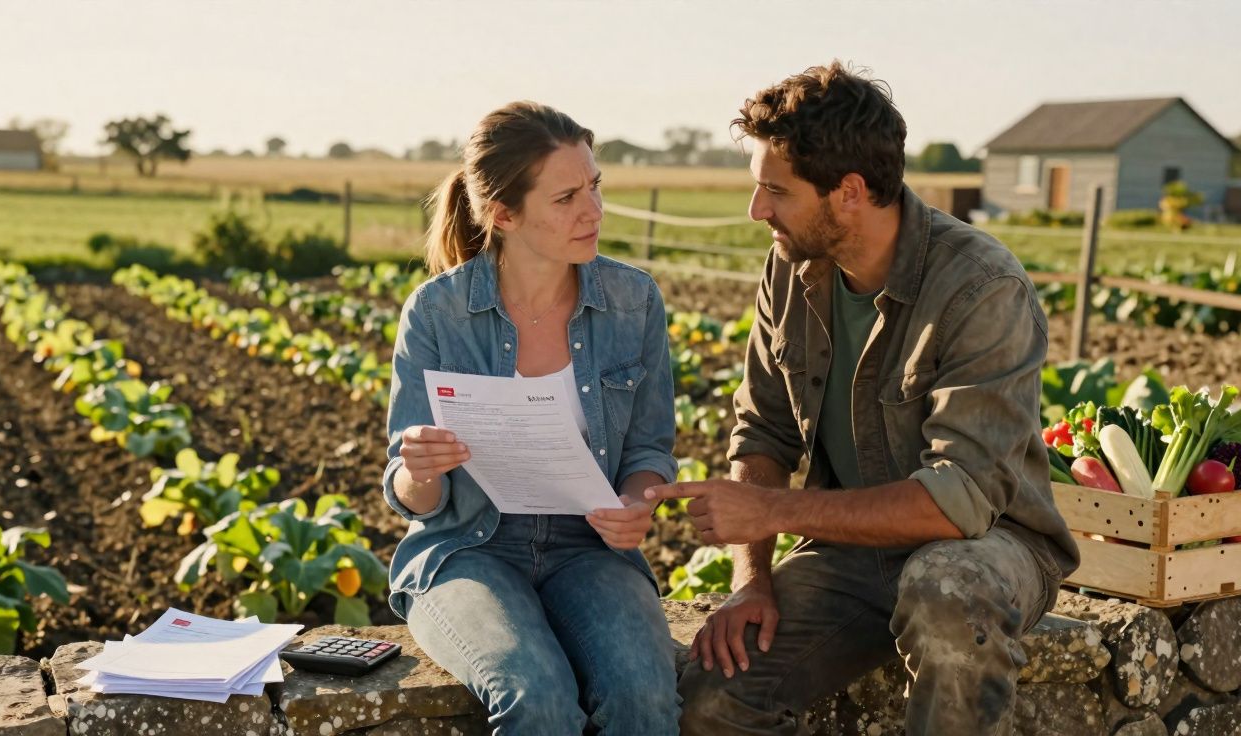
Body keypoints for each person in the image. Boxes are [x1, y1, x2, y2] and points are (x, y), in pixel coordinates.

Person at [645, 61, 1081, 735]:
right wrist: (752, 580)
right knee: (709, 694)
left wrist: (767, 511)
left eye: (775, 191)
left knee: (946, 593)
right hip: (850, 555)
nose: (757, 211)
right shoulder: (789, 266)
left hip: (991, 548)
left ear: (849, 191)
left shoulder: (981, 288)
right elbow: (761, 432)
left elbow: (956, 502)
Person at [381, 101, 681, 735]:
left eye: (594, 186)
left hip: (590, 549)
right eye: (566, 196)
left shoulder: (634, 301)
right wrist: (420, 467)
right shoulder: (437, 312)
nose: (593, 210)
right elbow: (411, 495)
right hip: (467, 548)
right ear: (503, 214)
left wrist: (636, 503)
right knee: (535, 695)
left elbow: (650, 449)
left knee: (645, 696)